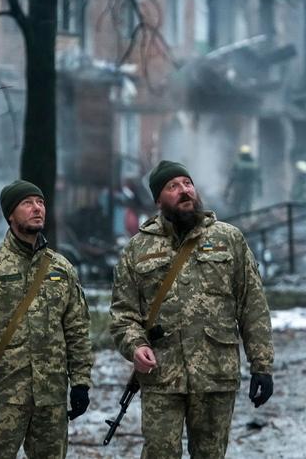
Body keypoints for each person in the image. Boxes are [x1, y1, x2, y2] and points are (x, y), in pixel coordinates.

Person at [110, 160, 274, 458]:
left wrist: (261, 366)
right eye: (173, 186)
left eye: (187, 183)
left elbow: (252, 305)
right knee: (159, 452)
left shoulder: (228, 239)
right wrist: (134, 347)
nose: (184, 191)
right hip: (162, 376)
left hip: (215, 374)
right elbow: (123, 314)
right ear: (159, 200)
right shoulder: (137, 249)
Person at [0, 179, 94, 459]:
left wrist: (80, 382)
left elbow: (77, 329)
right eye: (27, 203)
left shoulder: (61, 268)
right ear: (10, 214)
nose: (37, 209)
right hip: (4, 396)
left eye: (41, 202)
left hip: (51, 398)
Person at [224, 144, 262, 214]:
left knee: (236, 205)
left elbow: (232, 177)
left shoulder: (238, 163)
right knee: (248, 204)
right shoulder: (254, 164)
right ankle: (247, 221)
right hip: (250, 187)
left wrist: (227, 190)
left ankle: (237, 220)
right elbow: (259, 179)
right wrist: (260, 190)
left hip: (239, 187)